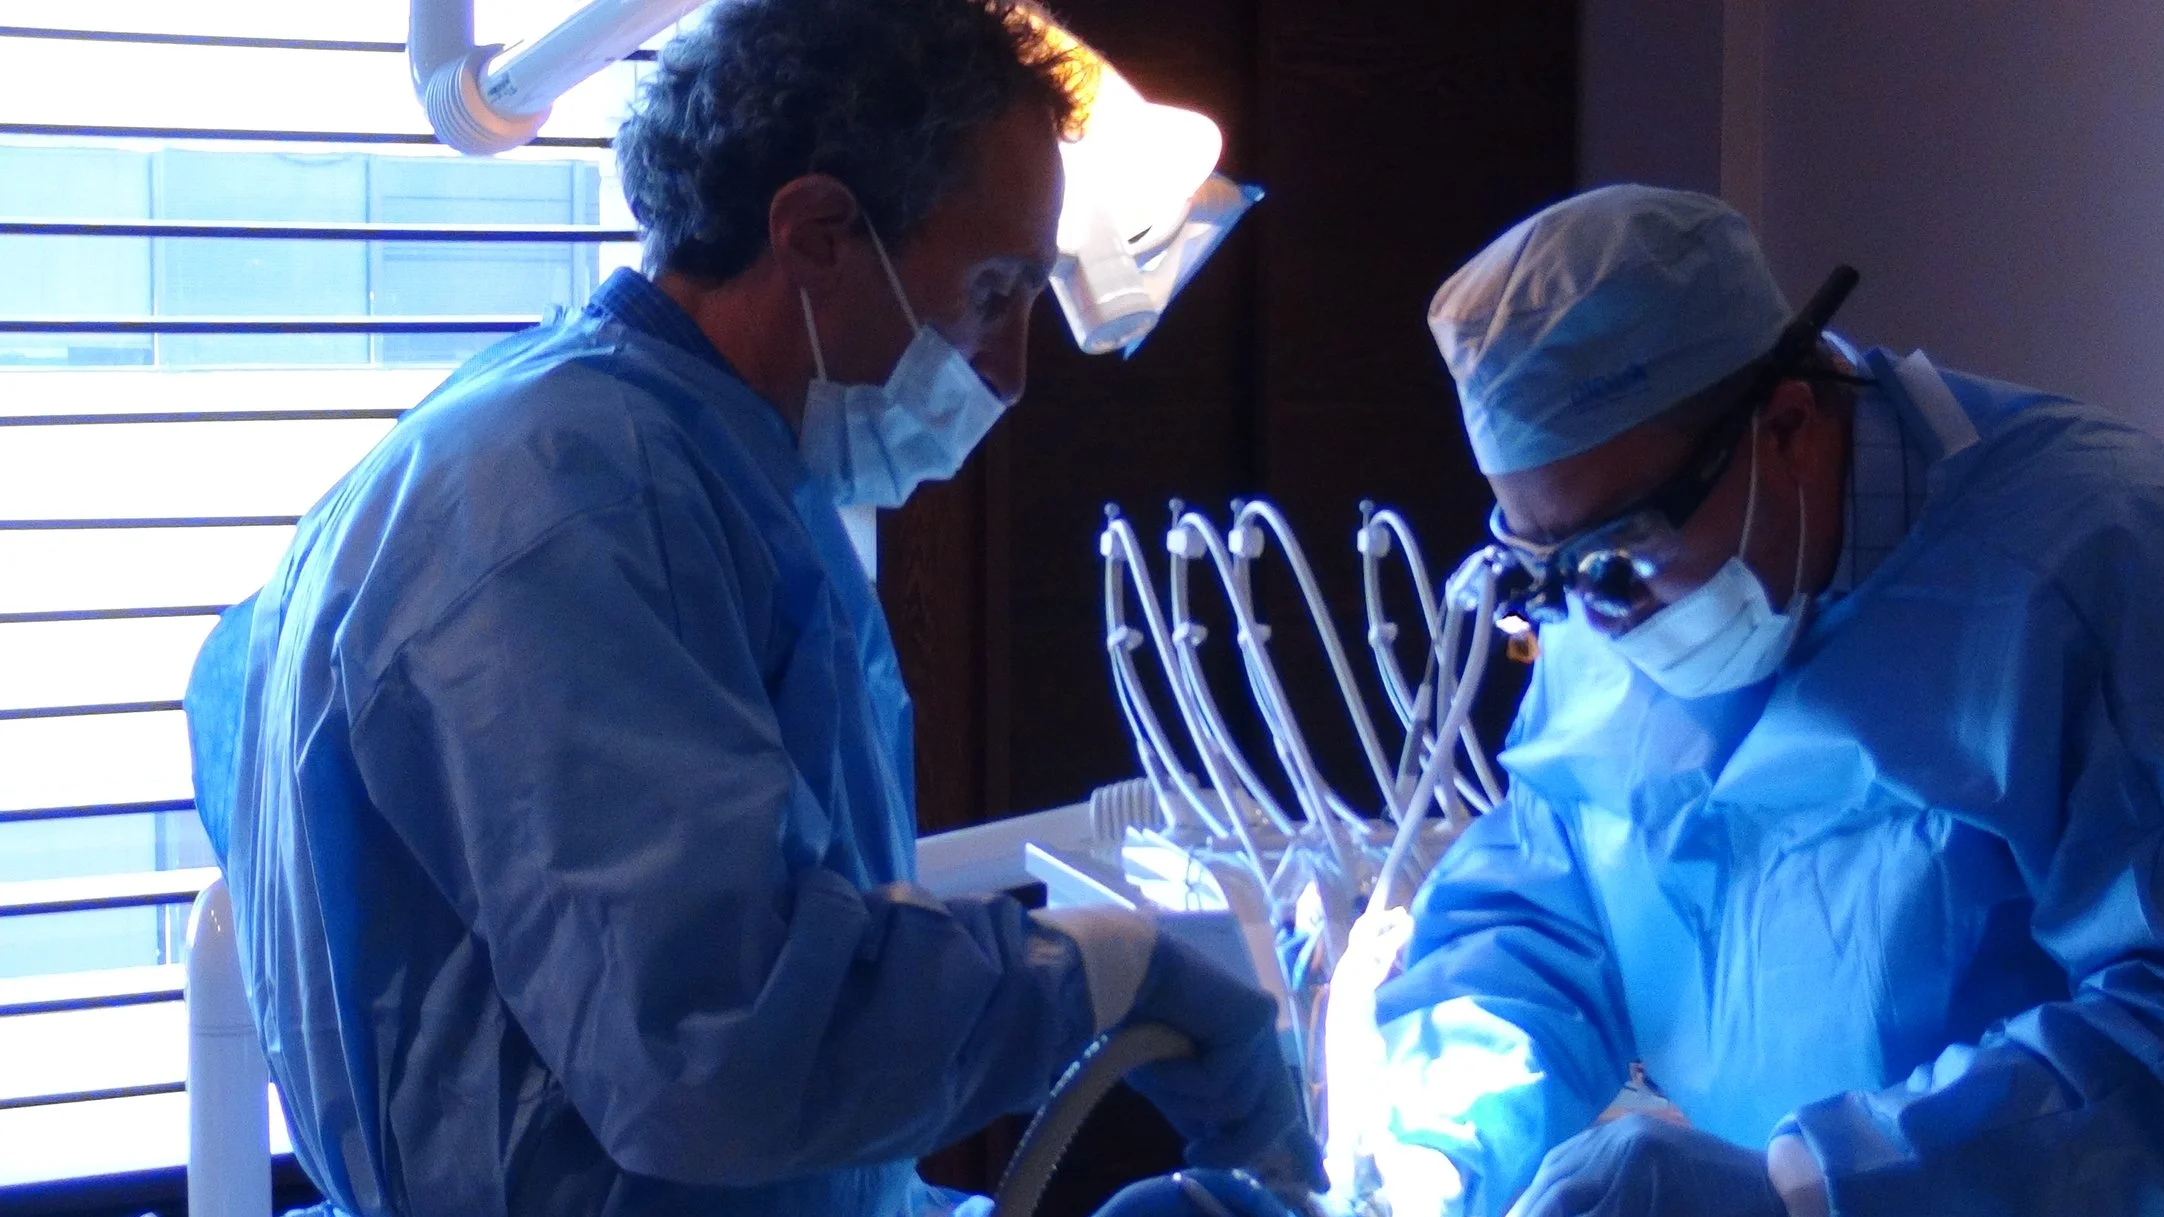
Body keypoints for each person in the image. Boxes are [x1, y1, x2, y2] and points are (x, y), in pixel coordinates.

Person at [179, 2, 1319, 1215]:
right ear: (819, 231)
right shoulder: (571, 502)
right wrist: (1101, 976)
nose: (1010, 368)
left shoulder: (659, 462)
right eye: (995, 289)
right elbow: (716, 1053)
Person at [1359, 183, 2164, 1216]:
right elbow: (1552, 890)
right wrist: (1441, 1144)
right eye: (1541, 569)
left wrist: (1805, 1193)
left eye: (1617, 559)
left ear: (1786, 424)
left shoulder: (2094, 565)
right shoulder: (1601, 565)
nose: (1591, 619)